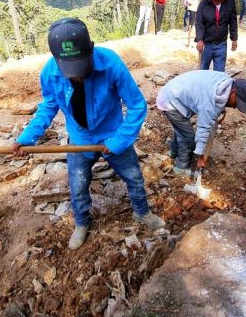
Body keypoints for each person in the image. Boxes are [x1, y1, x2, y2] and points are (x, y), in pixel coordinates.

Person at [13, 18, 165, 250]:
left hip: (113, 134)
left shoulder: (111, 63)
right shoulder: (50, 73)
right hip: (80, 139)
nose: (77, 76)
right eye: (71, 71)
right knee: (78, 185)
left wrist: (119, 140)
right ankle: (82, 222)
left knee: (134, 177)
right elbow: (48, 107)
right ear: (57, 60)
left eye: (81, 68)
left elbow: (136, 105)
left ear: (91, 49)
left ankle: (142, 212)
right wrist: (27, 137)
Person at [157, 71, 246, 174]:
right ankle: (180, 167)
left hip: (172, 91)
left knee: (182, 130)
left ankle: (173, 152)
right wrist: (200, 156)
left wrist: (221, 108)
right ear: (233, 92)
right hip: (170, 101)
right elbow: (203, 130)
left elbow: (214, 103)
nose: (235, 107)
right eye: (237, 103)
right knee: (188, 137)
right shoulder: (210, 104)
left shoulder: (225, 81)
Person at [195, 0, 238, 72]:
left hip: (221, 44)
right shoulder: (203, 5)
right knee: (202, 72)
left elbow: (233, 22)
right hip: (206, 44)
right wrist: (199, 40)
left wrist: (234, 38)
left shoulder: (230, 2)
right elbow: (199, 23)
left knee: (219, 73)